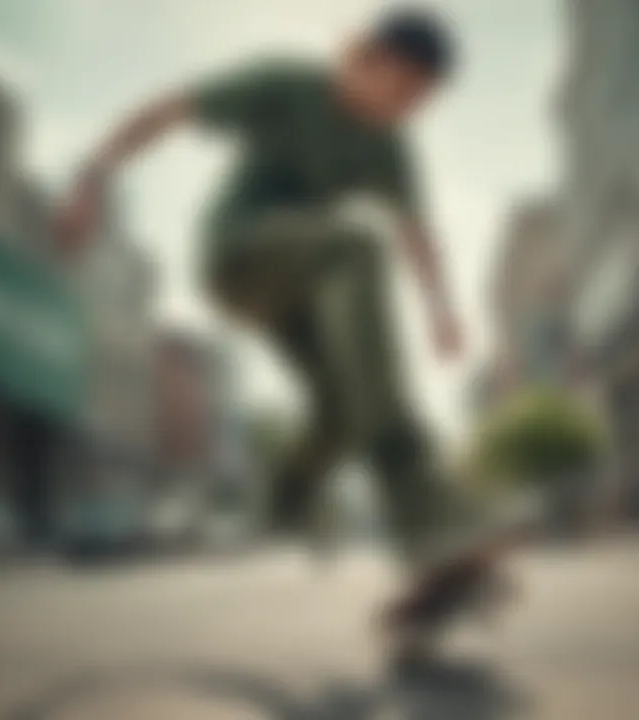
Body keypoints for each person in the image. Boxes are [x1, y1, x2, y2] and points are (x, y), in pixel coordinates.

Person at [58, 6, 513, 641]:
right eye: (404, 90)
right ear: (366, 58)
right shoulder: (285, 86)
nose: (408, 111)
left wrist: (440, 309)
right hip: (238, 258)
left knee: (348, 404)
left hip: (306, 291)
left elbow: (416, 230)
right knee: (358, 246)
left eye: (422, 102)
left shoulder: (388, 146)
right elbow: (168, 109)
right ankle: (435, 528)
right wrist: (93, 177)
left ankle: (290, 498)